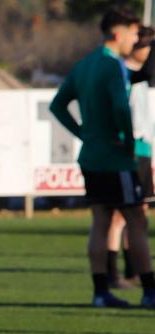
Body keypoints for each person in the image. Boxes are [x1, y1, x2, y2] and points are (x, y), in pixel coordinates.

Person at [51, 7, 155, 309]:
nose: (136, 39)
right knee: (136, 219)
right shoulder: (113, 67)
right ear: (119, 33)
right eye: (134, 33)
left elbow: (58, 106)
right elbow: (122, 109)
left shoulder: (84, 64)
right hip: (115, 157)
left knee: (101, 220)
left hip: (91, 156)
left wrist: (83, 133)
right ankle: (149, 290)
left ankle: (100, 292)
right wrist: (125, 140)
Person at [105, 24, 155, 289]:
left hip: (144, 150)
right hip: (131, 151)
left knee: (138, 214)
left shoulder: (140, 79)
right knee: (119, 215)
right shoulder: (125, 74)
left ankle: (132, 270)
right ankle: (113, 275)